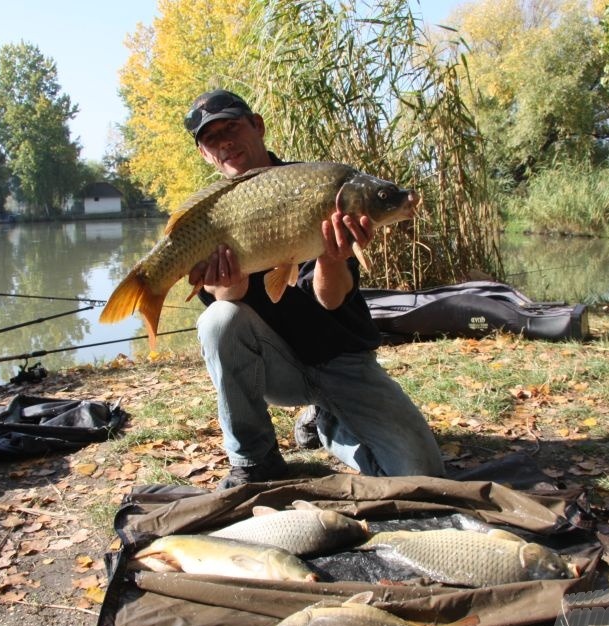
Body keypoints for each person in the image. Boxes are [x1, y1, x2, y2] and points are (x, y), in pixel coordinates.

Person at [183, 89, 445, 489]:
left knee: (422, 477)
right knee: (218, 318)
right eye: (211, 139)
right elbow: (229, 322)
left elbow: (331, 298)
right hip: (277, 371)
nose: (225, 142)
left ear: (257, 126)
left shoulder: (320, 187)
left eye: (232, 127)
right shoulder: (213, 217)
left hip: (343, 360)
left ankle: (327, 424)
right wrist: (229, 288)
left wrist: (331, 256)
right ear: (204, 154)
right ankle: (254, 460)